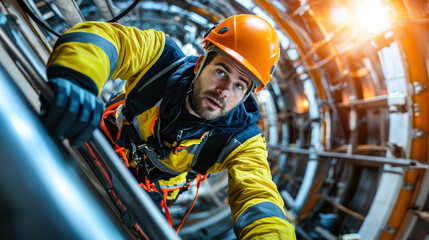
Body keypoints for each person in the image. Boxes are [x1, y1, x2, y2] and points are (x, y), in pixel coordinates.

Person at [43, 14, 296, 239]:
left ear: (246, 96)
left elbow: (258, 196)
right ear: (200, 64)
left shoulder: (241, 139)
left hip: (146, 197)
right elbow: (107, 39)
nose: (224, 91)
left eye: (240, 85)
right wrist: (79, 78)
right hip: (100, 142)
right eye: (221, 71)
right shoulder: (159, 59)